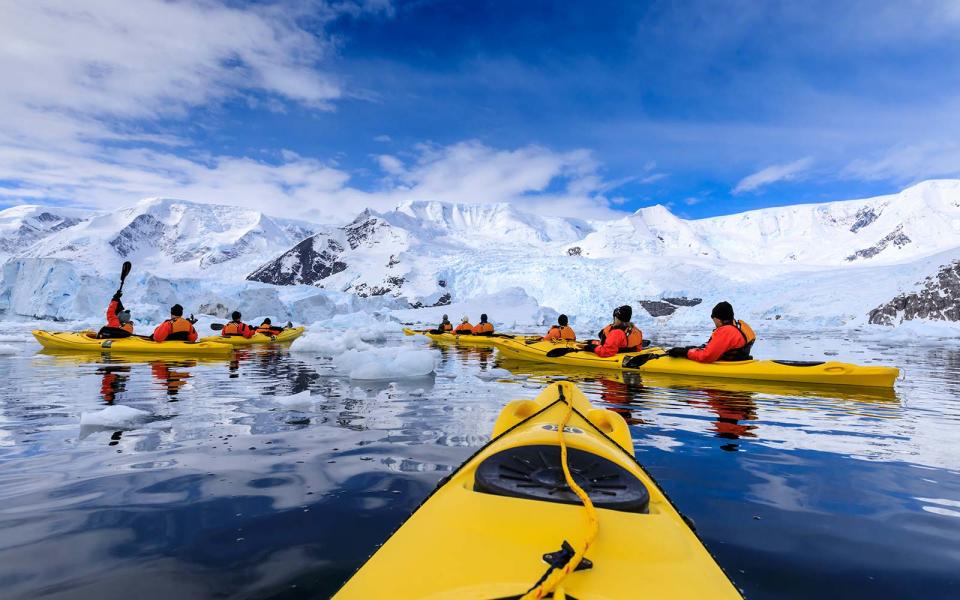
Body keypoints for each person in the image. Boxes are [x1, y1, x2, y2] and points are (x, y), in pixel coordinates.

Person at [667, 301, 756, 363]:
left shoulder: (726, 331)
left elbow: (706, 356)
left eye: (714, 319)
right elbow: (716, 346)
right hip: (741, 361)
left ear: (718, 319)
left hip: (728, 365)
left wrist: (685, 352)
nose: (714, 322)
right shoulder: (739, 325)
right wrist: (693, 348)